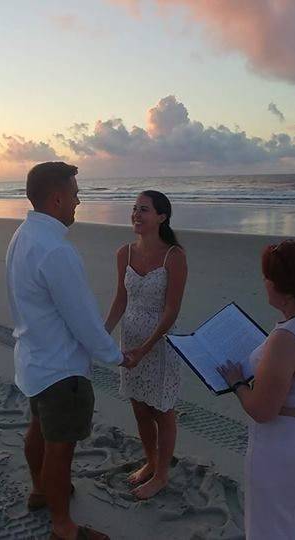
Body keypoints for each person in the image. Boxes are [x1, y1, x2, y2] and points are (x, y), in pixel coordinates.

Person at [6, 162, 133, 540]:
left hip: (33, 356)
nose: (79, 200)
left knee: (38, 430)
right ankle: (63, 527)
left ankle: (41, 490)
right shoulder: (55, 250)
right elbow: (83, 320)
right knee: (59, 448)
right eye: (75, 193)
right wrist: (118, 355)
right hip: (60, 366)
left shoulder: (23, 235)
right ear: (57, 197)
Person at [217, 239, 295, 539]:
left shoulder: (287, 338)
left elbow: (262, 409)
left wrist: (236, 382)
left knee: (270, 525)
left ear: (287, 291)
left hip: (284, 445)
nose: (265, 282)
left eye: (269, 278)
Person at [104, 191, 187, 499]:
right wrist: (103, 333)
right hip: (131, 340)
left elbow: (172, 309)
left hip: (160, 343)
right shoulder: (123, 253)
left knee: (162, 410)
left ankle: (162, 475)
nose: (137, 214)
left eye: (145, 210)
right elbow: (120, 299)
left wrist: (147, 347)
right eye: (135, 209)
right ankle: (150, 463)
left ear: (162, 217)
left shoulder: (174, 256)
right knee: (139, 407)